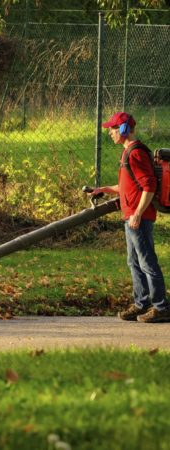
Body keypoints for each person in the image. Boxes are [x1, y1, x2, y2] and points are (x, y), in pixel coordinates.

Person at [89, 111, 170, 323]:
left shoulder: (135, 153)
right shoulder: (127, 153)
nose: (110, 133)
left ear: (124, 129)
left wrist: (137, 213)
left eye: (113, 129)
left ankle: (161, 307)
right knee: (134, 261)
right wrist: (104, 189)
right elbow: (128, 185)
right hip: (132, 216)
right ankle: (141, 303)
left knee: (146, 262)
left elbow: (149, 185)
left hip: (139, 218)